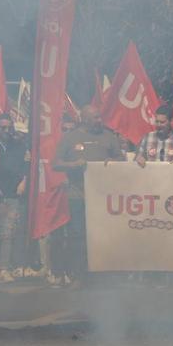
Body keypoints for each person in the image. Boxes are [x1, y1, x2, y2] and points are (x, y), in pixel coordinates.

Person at [52, 105, 123, 285]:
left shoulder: (109, 136)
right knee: (78, 235)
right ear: (84, 119)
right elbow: (56, 163)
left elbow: (122, 158)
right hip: (78, 196)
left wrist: (113, 161)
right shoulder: (70, 138)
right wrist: (74, 164)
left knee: (105, 234)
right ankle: (80, 274)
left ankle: (105, 275)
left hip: (103, 196)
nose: (100, 121)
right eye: (95, 118)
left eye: (99, 117)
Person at [0, 114, 29, 284]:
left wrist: (23, 181)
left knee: (8, 233)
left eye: (9, 127)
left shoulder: (18, 146)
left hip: (13, 194)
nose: (6, 131)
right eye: (3, 127)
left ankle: (4, 268)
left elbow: (26, 166)